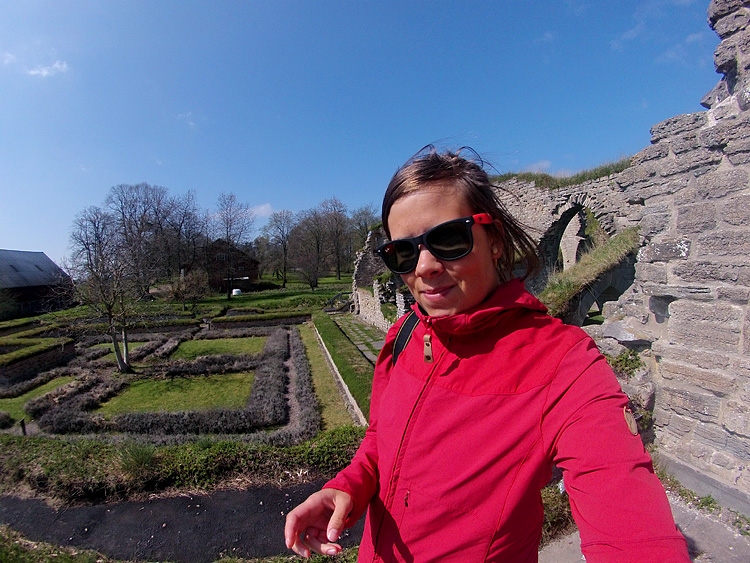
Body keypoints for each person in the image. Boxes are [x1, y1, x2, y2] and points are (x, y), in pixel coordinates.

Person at [284, 146, 690, 561]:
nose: (423, 267)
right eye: (402, 252)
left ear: (494, 240)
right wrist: (347, 486)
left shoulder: (564, 364)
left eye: (449, 239)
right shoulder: (404, 334)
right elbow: (380, 439)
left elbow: (632, 527)